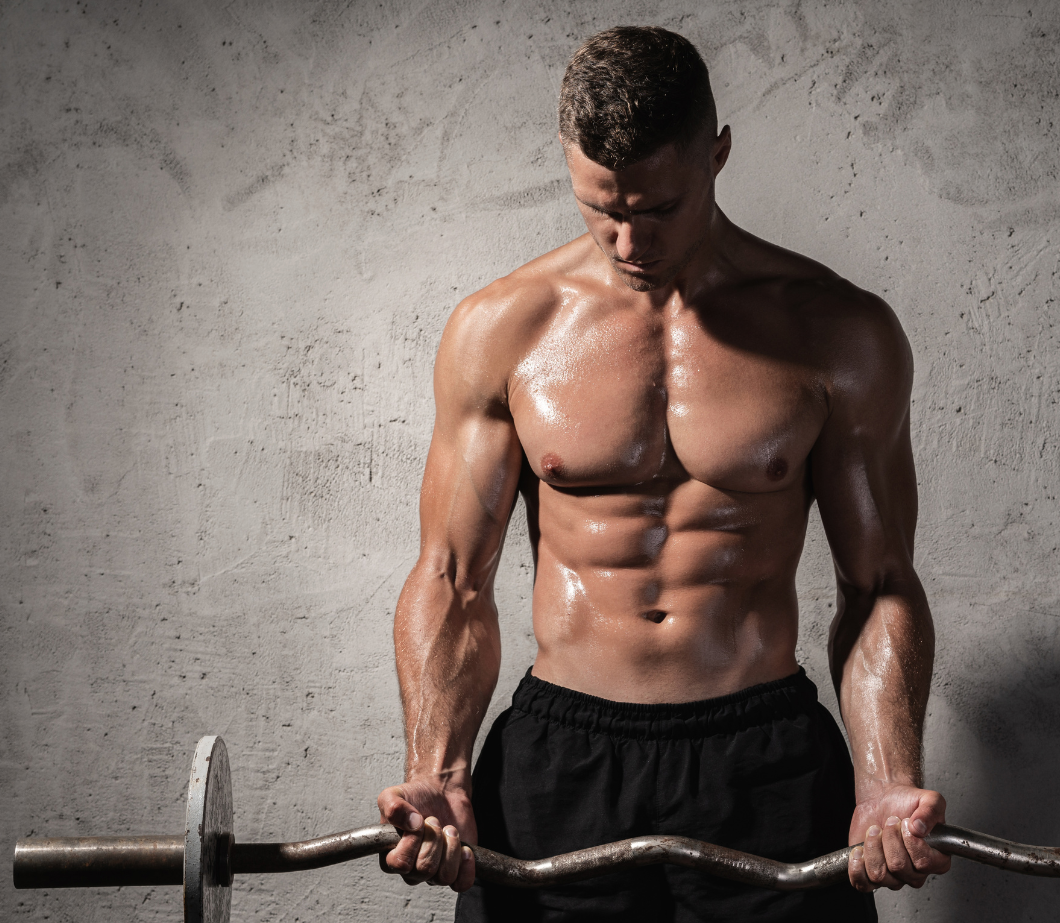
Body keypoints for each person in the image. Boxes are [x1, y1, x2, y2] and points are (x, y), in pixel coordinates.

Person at [376, 25, 951, 922]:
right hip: (560, 761)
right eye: (601, 207)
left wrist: (887, 780)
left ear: (718, 153)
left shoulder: (837, 333)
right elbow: (452, 578)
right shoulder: (504, 329)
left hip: (763, 759)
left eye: (658, 207)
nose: (628, 236)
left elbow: (878, 584)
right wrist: (435, 769)